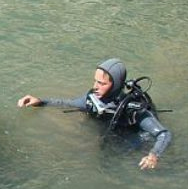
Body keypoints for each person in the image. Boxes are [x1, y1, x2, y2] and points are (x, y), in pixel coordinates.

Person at [17, 58, 172, 170]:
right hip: (110, 132)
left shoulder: (134, 110)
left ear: (115, 85)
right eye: (95, 81)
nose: (95, 86)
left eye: (102, 83)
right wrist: (40, 101)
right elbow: (69, 103)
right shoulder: (93, 99)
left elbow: (164, 134)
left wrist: (153, 155)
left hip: (136, 138)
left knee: (115, 162)